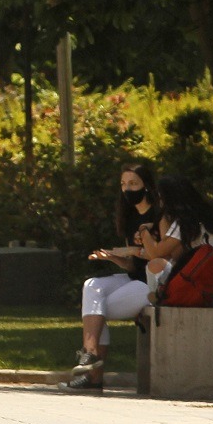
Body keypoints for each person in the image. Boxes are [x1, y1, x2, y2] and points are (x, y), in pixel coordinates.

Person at [66, 161, 160, 392]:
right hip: (134, 277)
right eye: (123, 184)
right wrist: (113, 257)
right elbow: (131, 265)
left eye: (133, 183)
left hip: (152, 282)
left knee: (97, 310)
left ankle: (93, 375)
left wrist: (131, 251)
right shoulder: (129, 218)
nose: (127, 189)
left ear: (146, 186)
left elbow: (163, 254)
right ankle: (89, 354)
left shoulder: (159, 216)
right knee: (92, 286)